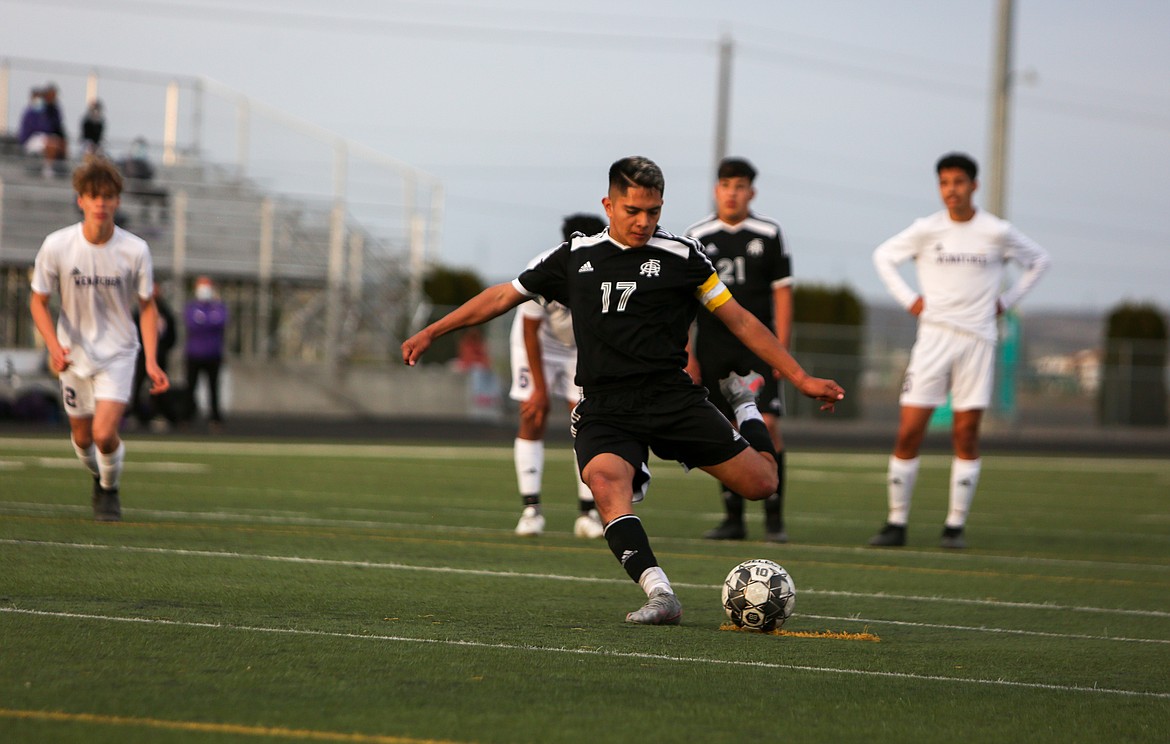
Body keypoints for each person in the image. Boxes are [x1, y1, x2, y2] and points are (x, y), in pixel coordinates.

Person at [403, 156, 843, 625]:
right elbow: (501, 296)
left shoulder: (684, 256)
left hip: (672, 398)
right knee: (606, 483)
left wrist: (799, 378)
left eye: (653, 211)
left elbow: (739, 319)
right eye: (633, 210)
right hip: (607, 406)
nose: (644, 221)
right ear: (608, 205)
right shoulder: (574, 256)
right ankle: (660, 594)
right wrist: (434, 330)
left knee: (763, 484)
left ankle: (744, 405)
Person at [868, 152, 1050, 549]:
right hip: (933, 338)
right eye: (945, 183)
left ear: (974, 185)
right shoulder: (926, 229)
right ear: (940, 187)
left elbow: (1039, 261)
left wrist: (1007, 301)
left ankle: (955, 525)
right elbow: (883, 256)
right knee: (909, 430)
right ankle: (896, 522)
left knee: (966, 433)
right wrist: (910, 300)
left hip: (978, 340)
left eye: (959, 182)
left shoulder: (996, 231)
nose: (952, 190)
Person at [29, 155, 169, 521]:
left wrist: (152, 360)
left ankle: (108, 490)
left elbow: (148, 306)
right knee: (82, 438)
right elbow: (38, 301)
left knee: (105, 434)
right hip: (73, 355)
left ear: (118, 201)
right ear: (81, 200)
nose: (101, 203)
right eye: (93, 196)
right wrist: (53, 345)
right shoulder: (57, 246)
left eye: (108, 196)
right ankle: (98, 475)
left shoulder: (135, 250)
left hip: (119, 352)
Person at [686, 157, 793, 543]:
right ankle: (733, 518)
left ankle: (774, 517)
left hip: (758, 347)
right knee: (726, 430)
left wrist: (782, 350)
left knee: (769, 424)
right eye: (726, 185)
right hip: (713, 348)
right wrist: (689, 353)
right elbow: (685, 301)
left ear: (752, 192)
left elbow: (782, 293)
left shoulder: (768, 233)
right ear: (716, 190)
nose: (732, 193)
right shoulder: (697, 235)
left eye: (740, 186)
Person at [510, 213, 608, 539]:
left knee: (587, 423)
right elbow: (528, 328)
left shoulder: (612, 268)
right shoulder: (544, 267)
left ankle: (588, 514)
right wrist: (538, 388)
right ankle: (531, 510)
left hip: (580, 348)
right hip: (538, 344)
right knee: (534, 416)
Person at [184, 276, 228, 430]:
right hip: (194, 354)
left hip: (213, 355)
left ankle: (215, 418)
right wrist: (209, 322)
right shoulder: (191, 307)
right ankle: (187, 416)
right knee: (190, 387)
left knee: (213, 388)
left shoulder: (218, 307)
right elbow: (193, 325)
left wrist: (205, 321)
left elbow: (221, 322)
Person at [130, 284, 177, 430]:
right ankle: (135, 414)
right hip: (142, 354)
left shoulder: (166, 312)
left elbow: (172, 336)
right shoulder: (138, 313)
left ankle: (159, 414)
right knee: (137, 385)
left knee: (159, 387)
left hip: (159, 356)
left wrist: (162, 351)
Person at [18, 86, 66, 176]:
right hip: (29, 140)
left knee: (58, 141)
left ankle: (60, 167)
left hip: (41, 138)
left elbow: (51, 127)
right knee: (50, 143)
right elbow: (34, 129)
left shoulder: (46, 112)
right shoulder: (29, 112)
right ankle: (47, 168)